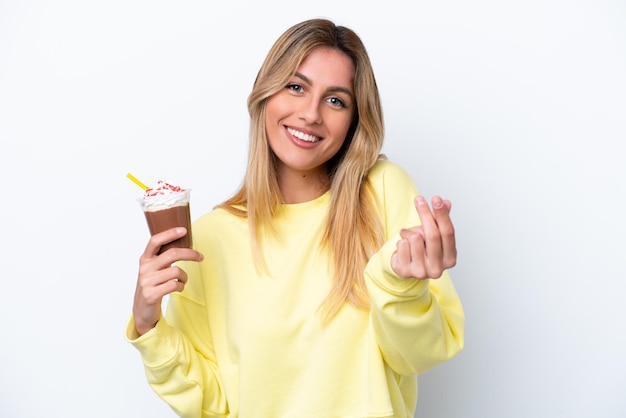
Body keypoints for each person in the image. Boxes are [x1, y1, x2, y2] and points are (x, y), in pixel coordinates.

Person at [126, 18, 464, 418]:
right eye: (296, 87)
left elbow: (419, 356)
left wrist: (402, 287)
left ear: (355, 121)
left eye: (335, 100)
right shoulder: (209, 239)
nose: (311, 114)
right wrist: (148, 324)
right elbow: (211, 404)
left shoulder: (384, 191)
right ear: (265, 95)